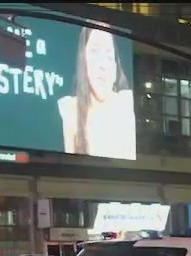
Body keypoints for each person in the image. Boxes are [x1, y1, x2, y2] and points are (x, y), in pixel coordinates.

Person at [58, 27, 137, 159]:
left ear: (115, 66)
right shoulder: (70, 109)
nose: (103, 65)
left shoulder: (126, 103)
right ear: (83, 59)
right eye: (94, 52)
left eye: (109, 56)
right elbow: (71, 164)